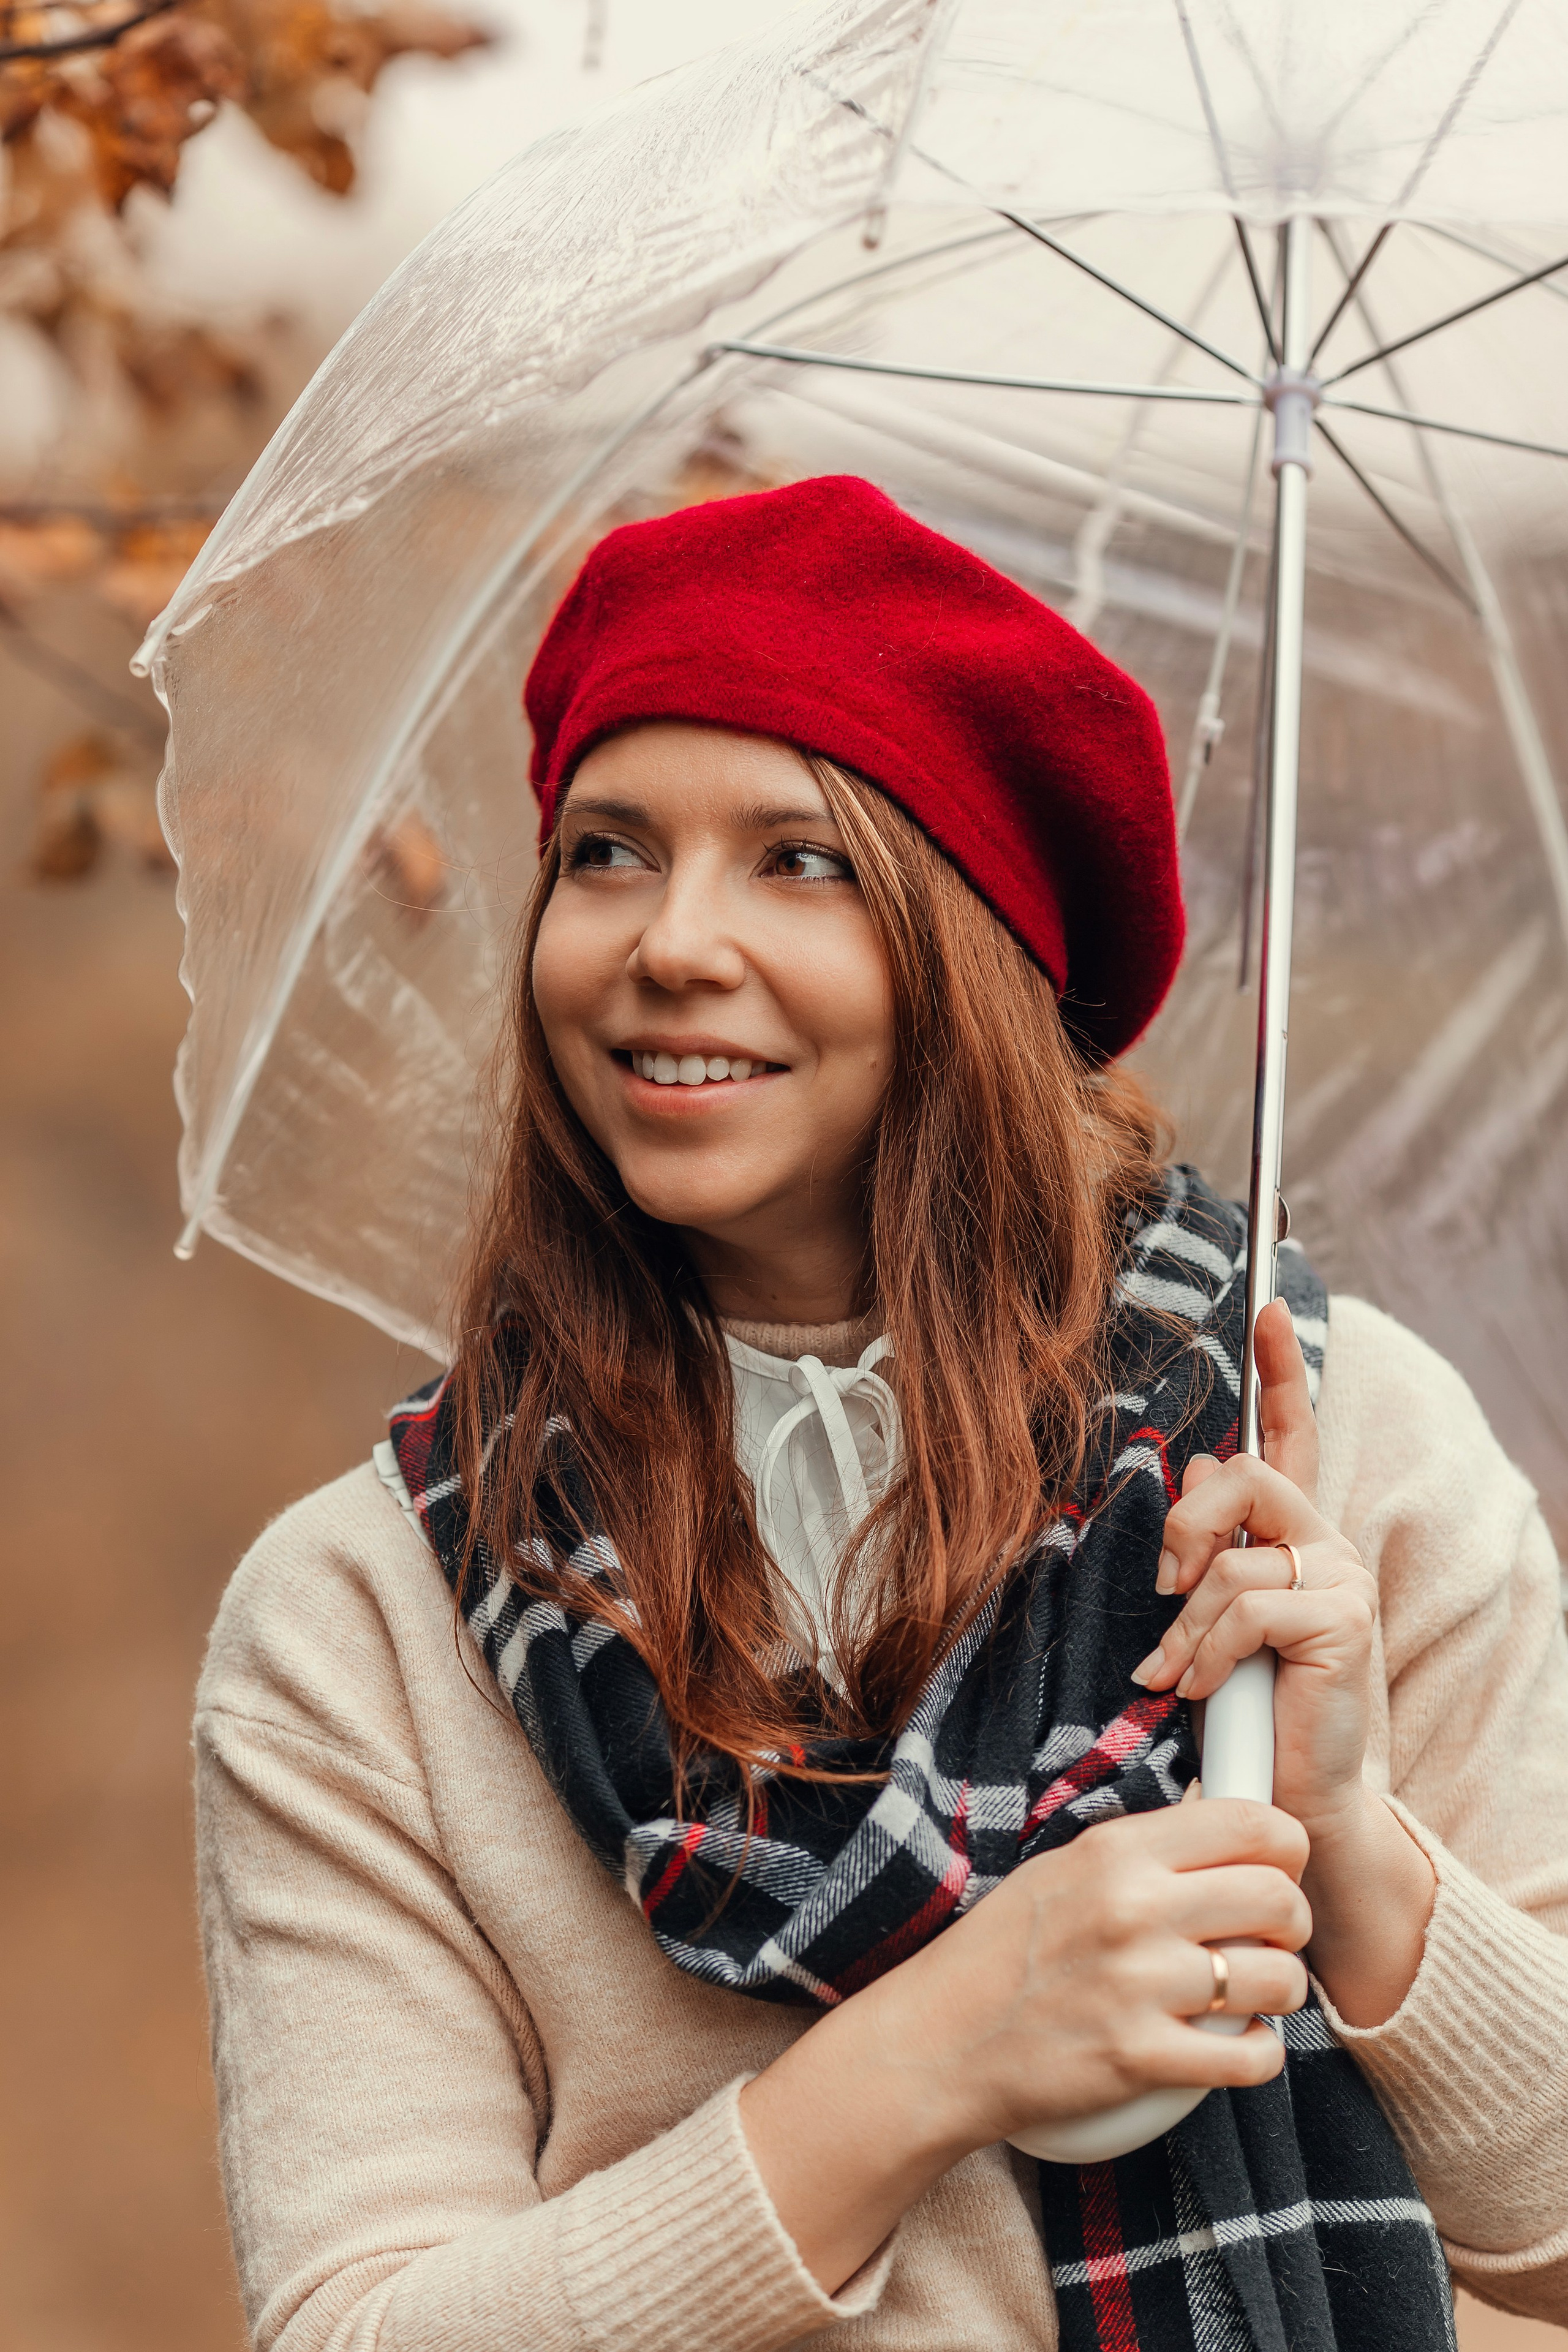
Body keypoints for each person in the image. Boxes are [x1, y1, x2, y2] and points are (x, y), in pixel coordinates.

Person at [195, 476, 1568, 2352]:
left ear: (977, 947)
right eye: (606, 851)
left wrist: (1352, 1839)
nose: (669, 940)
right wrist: (929, 2052)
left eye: (799, 858)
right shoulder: (364, 1622)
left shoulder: (1329, 1456)